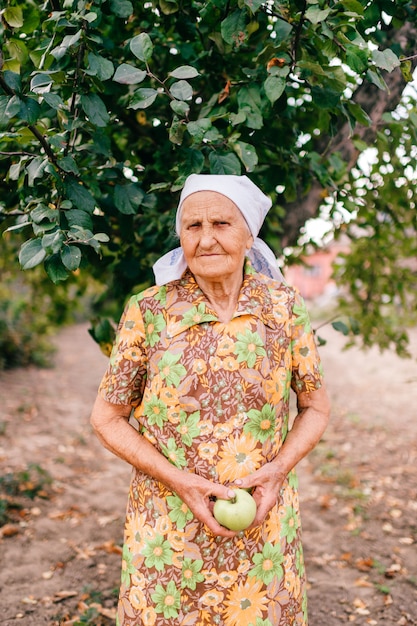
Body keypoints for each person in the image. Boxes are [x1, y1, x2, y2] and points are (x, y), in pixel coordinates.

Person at [90, 174, 331, 626]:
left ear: (248, 234)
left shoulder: (283, 306)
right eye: (192, 226)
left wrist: (278, 470)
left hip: (263, 522)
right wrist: (179, 481)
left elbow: (315, 406)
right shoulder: (148, 311)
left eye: (221, 223)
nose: (205, 239)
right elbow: (107, 418)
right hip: (168, 528)